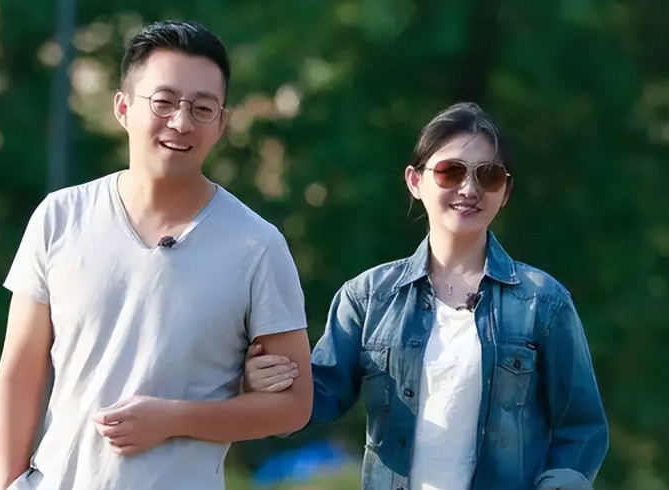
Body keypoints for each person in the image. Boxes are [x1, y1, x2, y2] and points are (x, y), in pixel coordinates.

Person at [0, 20, 312, 490]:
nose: (181, 122)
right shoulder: (60, 217)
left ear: (221, 123)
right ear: (123, 107)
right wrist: (7, 483)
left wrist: (173, 420)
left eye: (202, 108)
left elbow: (293, 406)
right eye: (163, 102)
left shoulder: (258, 246)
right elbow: (20, 371)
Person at [245, 102, 609, 490]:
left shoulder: (543, 303)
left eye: (488, 175)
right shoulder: (368, 298)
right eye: (451, 171)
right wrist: (259, 386)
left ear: (505, 191)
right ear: (415, 181)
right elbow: (312, 400)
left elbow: (582, 428)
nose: (469, 189)